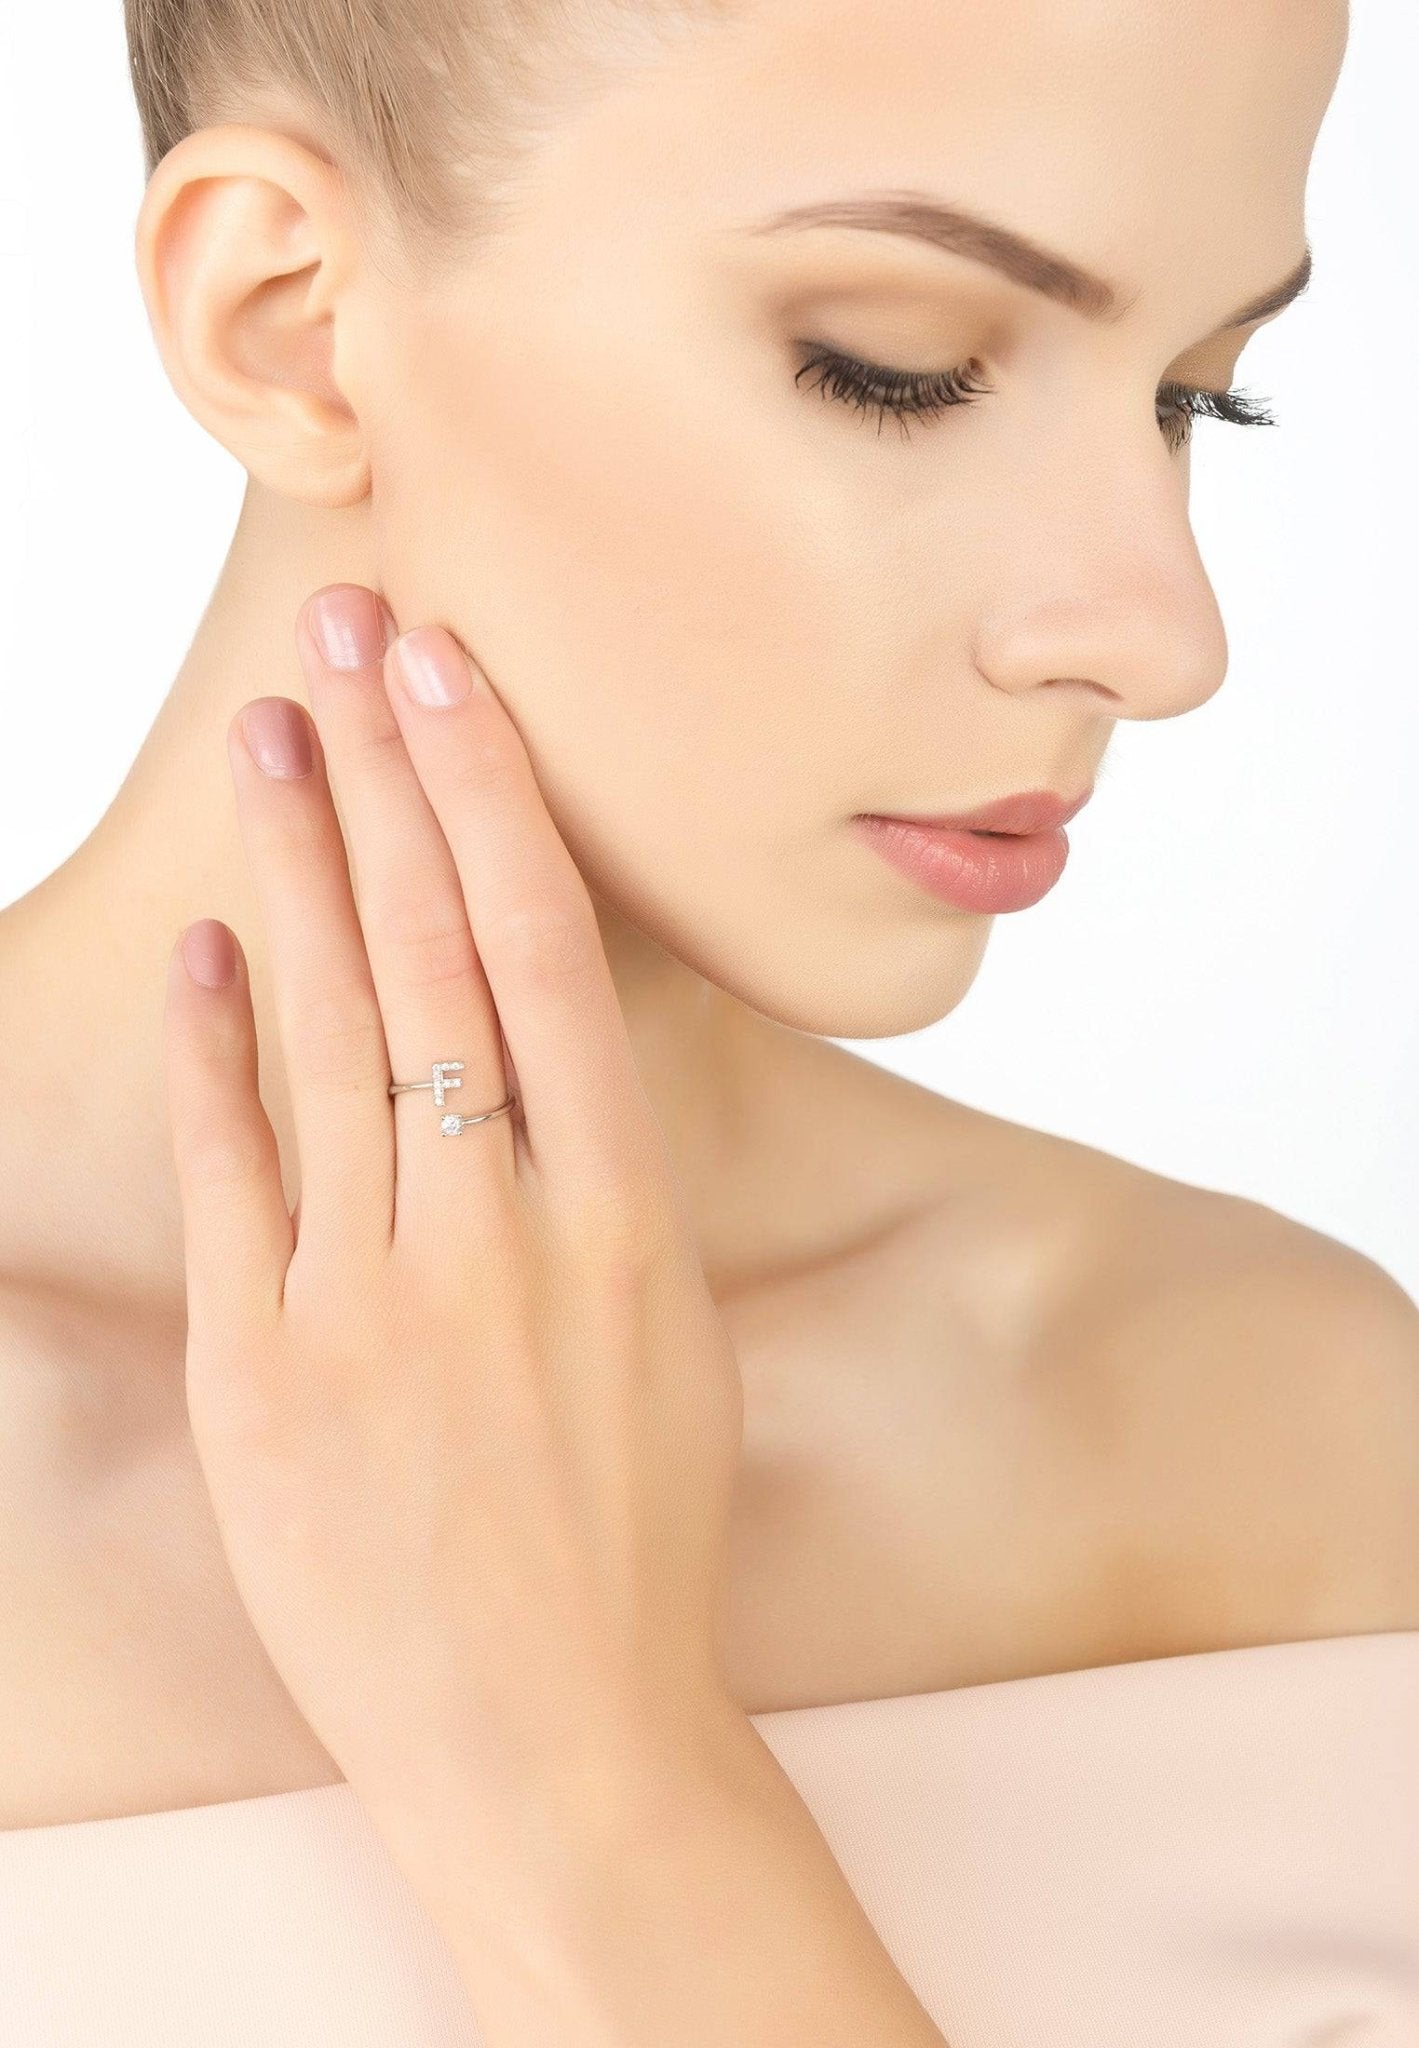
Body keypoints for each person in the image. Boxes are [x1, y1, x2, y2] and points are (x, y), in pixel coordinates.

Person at [0, 0, 1415, 2040]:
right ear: (287, 320)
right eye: (897, 367)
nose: (1158, 632)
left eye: (1199, 397)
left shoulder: (1267, 1422)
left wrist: (600, 1794)